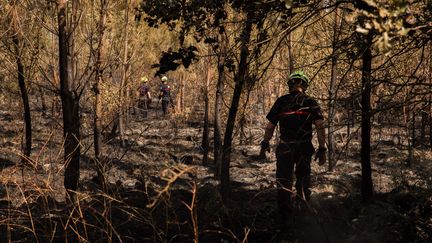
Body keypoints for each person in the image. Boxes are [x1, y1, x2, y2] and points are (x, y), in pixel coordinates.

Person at [259, 70, 327, 226]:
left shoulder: (282, 101)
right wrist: (322, 148)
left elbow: (270, 126)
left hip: (285, 146)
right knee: (303, 180)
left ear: (290, 85)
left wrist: (265, 143)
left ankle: (285, 220)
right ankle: (303, 216)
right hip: (304, 146)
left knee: (284, 181)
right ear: (305, 85)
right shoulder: (310, 101)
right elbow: (320, 125)